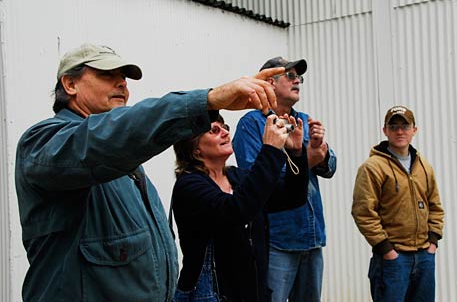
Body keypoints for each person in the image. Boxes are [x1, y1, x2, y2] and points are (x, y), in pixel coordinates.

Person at [14, 43, 285, 302]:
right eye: (107, 75)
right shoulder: (44, 143)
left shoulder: (120, 155)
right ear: (70, 84)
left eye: (123, 76)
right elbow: (107, 138)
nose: (122, 83)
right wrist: (208, 100)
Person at [172, 113, 309, 302]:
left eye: (225, 127)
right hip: (210, 296)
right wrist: (270, 149)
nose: (225, 133)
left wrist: (296, 153)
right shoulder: (190, 186)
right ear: (195, 149)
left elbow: (293, 196)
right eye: (214, 130)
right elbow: (237, 211)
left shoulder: (237, 177)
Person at [232, 56, 337, 302]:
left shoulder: (303, 119)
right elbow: (253, 181)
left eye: (299, 77)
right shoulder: (252, 124)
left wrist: (321, 152)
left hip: (312, 236)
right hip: (277, 240)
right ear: (270, 82)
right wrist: (307, 160)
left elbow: (331, 165)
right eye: (290, 76)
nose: (297, 81)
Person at [351, 105, 445, 302]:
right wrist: (387, 250)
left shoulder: (424, 167)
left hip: (424, 258)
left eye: (405, 126)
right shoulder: (372, 168)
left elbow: (435, 205)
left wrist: (433, 242)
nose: (399, 132)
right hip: (393, 261)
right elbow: (363, 212)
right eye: (393, 127)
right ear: (385, 131)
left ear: (414, 130)